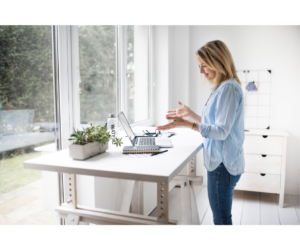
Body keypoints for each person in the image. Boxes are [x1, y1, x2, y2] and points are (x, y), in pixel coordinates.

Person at [156, 40, 244, 225]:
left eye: (204, 65)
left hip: (223, 165)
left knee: (221, 218)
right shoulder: (224, 87)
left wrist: (188, 124)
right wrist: (191, 115)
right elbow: (213, 124)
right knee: (221, 216)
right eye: (199, 66)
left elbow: (220, 132)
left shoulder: (227, 88)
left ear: (218, 61)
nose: (201, 71)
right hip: (224, 163)